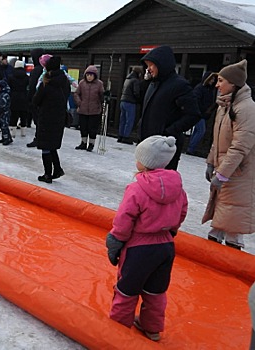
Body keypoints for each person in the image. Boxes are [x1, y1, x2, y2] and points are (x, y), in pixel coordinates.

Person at [106, 135, 188, 342]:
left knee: (126, 289)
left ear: (146, 162)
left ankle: (117, 330)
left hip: (139, 248)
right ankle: (152, 327)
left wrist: (116, 240)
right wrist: (172, 230)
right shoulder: (178, 187)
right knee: (156, 290)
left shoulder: (137, 188)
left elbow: (125, 218)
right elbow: (182, 211)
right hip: (165, 248)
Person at [203, 59, 255, 250]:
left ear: (233, 83)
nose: (217, 85)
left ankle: (232, 273)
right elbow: (217, 141)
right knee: (220, 221)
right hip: (224, 172)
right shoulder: (224, 106)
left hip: (238, 174)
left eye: (221, 80)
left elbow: (240, 147)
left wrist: (222, 174)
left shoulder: (246, 109)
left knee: (233, 223)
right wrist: (211, 163)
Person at [139, 45, 201, 170]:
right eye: (147, 65)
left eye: (151, 65)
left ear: (162, 64)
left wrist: (169, 132)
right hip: (149, 145)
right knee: (146, 184)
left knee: (162, 185)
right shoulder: (153, 83)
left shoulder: (179, 85)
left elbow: (193, 114)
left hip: (165, 149)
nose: (148, 69)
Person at [32, 56, 68, 184]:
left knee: (46, 147)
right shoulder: (64, 81)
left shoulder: (46, 82)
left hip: (46, 118)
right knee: (52, 145)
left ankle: (47, 174)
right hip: (59, 118)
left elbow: (36, 100)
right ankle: (57, 169)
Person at [73, 65, 104, 152]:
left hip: (94, 110)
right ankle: (83, 142)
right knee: (83, 127)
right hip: (83, 109)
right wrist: (79, 102)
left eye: (91, 75)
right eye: (88, 75)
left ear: (95, 76)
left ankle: (91, 144)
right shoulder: (82, 83)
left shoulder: (99, 84)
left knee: (92, 128)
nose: (89, 77)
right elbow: (76, 93)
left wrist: (103, 96)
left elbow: (102, 95)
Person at [186, 71, 217, 155]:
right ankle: (191, 148)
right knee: (201, 130)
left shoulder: (209, 90)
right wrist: (203, 110)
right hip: (198, 113)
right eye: (212, 78)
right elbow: (196, 100)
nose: (213, 80)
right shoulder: (200, 88)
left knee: (198, 130)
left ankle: (191, 148)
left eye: (214, 79)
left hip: (202, 113)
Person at [118, 66, 143, 144]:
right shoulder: (135, 80)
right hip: (130, 102)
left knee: (123, 119)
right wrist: (139, 99)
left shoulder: (127, 79)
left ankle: (120, 136)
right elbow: (136, 92)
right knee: (129, 120)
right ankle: (126, 137)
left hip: (123, 101)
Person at [26, 48, 44, 147]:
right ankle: (41, 138)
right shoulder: (45, 69)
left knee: (38, 120)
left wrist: (30, 99)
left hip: (36, 98)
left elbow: (32, 86)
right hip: (44, 99)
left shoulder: (36, 70)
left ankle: (39, 139)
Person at [8, 60, 29, 138]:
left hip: (14, 97)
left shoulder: (11, 76)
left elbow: (8, 86)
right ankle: (23, 132)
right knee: (23, 114)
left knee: (14, 115)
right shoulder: (26, 77)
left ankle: (13, 132)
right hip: (24, 96)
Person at [0, 79, 12, 145]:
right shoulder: (1, 94)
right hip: (3, 112)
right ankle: (6, 137)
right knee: (2, 125)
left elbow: (2, 105)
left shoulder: (4, 95)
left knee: (4, 126)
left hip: (4, 113)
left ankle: (6, 138)